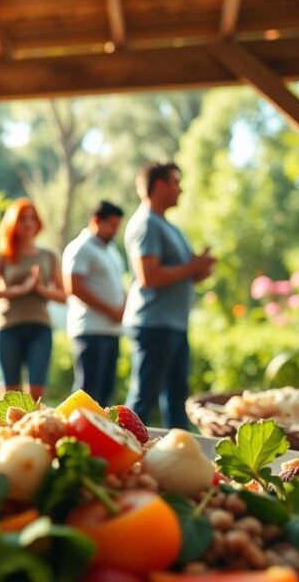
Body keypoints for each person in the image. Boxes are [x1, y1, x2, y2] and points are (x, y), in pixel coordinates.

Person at [122, 162, 216, 428]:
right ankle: (120, 444)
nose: (180, 189)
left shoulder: (167, 226)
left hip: (172, 326)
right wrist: (192, 267)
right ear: (160, 185)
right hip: (154, 326)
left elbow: (181, 273)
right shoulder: (146, 223)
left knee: (176, 400)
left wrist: (198, 269)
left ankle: (179, 450)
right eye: (176, 182)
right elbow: (148, 276)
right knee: (143, 399)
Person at [0, 198, 66, 400]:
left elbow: (64, 295)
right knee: (9, 391)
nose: (28, 223)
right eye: (23, 219)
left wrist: (40, 289)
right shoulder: (2, 254)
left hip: (40, 326)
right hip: (7, 327)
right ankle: (7, 423)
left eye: (32, 218)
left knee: (37, 391)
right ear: (13, 223)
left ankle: (35, 421)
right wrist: (18, 290)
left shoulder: (49, 255)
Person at [62, 200, 126, 407]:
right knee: (87, 394)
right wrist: (110, 310)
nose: (115, 231)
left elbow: (117, 285)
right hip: (90, 330)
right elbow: (74, 286)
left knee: (105, 395)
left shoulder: (110, 250)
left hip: (111, 330)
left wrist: (123, 307)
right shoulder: (81, 247)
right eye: (112, 225)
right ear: (97, 221)